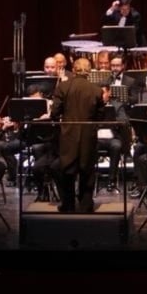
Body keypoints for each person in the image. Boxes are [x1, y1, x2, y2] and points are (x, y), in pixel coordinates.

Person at [50, 57, 103, 213]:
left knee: (67, 170)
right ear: (89, 71)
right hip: (88, 135)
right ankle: (86, 205)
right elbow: (100, 116)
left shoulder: (63, 87)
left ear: (73, 70)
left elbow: (55, 113)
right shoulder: (96, 90)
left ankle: (68, 205)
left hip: (68, 134)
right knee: (87, 170)